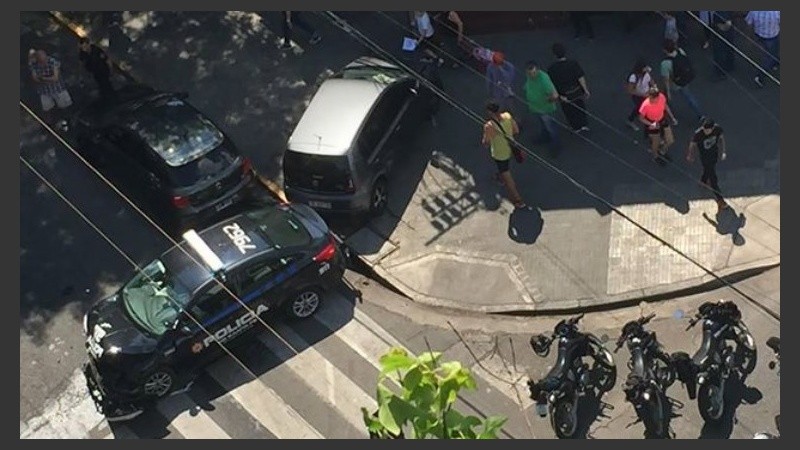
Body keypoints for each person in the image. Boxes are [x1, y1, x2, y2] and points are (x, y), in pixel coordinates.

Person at [481, 101, 526, 209]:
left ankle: (518, 200)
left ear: (490, 113)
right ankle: (500, 176)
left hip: (500, 153)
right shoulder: (507, 116)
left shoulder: (489, 126)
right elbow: (516, 130)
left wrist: (486, 141)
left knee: (507, 177)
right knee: (504, 169)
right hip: (511, 148)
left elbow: (486, 143)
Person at [686, 118, 729, 212]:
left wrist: (723, 151)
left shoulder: (717, 129)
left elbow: (722, 139)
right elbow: (692, 144)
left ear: (712, 128)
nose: (706, 131)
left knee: (708, 170)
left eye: (708, 130)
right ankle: (720, 200)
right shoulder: (698, 134)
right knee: (714, 180)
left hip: (714, 155)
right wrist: (690, 154)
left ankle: (703, 181)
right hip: (705, 158)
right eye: (704, 129)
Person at [547, 42, 590, 132]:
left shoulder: (552, 69)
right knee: (580, 106)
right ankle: (583, 124)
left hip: (564, 94)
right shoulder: (573, 63)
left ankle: (575, 126)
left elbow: (552, 84)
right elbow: (580, 77)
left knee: (569, 110)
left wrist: (558, 95)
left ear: (554, 54)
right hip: (576, 91)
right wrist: (585, 90)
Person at [660, 39, 705, 122]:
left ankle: (663, 109)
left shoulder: (665, 63)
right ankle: (700, 115)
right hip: (684, 79)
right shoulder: (680, 51)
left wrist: (668, 91)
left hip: (675, 84)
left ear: (665, 50)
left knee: (664, 95)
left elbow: (666, 79)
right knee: (689, 97)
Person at [523, 60, 561, 155]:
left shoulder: (544, 79)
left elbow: (555, 95)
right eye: (530, 73)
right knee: (543, 124)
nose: (532, 75)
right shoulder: (529, 77)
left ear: (538, 70)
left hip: (546, 110)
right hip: (536, 108)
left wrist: (547, 101)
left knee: (551, 128)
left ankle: (555, 146)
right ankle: (545, 137)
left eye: (534, 73)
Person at [28, 49, 73, 123]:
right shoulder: (34, 64)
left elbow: (55, 78)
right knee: (47, 109)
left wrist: (43, 78)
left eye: (44, 59)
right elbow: (35, 78)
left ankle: (68, 120)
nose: (44, 62)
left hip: (58, 88)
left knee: (65, 106)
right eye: (41, 61)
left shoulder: (52, 61)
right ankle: (50, 124)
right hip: (44, 90)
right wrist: (46, 79)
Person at [638, 85, 678, 165]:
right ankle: (655, 157)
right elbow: (641, 118)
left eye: (654, 98)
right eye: (651, 98)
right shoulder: (645, 105)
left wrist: (672, 117)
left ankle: (662, 151)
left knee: (670, 140)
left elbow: (665, 106)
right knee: (655, 143)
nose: (652, 100)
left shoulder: (661, 97)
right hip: (652, 122)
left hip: (662, 119)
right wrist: (651, 124)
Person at [744, 11, 780, 87]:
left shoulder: (754, 11)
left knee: (766, 55)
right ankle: (760, 76)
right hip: (772, 36)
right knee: (769, 57)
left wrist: (749, 38)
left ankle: (774, 62)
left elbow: (749, 23)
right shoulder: (776, 12)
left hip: (759, 36)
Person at [625, 58, 654, 131]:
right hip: (638, 95)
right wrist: (642, 94)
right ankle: (630, 120)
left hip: (646, 93)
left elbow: (650, 80)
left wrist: (654, 86)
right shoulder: (633, 77)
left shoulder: (647, 72)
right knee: (639, 107)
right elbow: (630, 90)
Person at [710, 11, 735, 81]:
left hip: (721, 35)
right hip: (728, 34)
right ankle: (730, 66)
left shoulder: (720, 12)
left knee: (719, 53)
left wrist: (720, 28)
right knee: (729, 49)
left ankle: (720, 72)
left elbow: (728, 24)